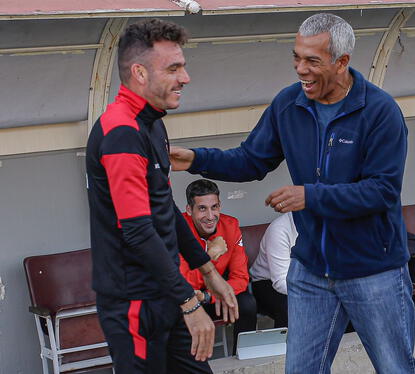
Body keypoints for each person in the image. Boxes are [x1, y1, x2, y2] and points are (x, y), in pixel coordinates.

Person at [171, 13, 415, 374]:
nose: (300, 69)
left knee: (396, 368)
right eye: (296, 57)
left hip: (374, 270)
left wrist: (311, 196)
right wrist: (197, 159)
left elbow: (381, 191)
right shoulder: (289, 104)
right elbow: (250, 160)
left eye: (312, 61)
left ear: (342, 63)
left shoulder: (380, 112)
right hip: (310, 270)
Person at [85, 19, 238, 374]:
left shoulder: (152, 122)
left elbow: (162, 208)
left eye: (182, 67)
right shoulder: (121, 132)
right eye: (173, 68)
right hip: (135, 304)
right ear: (139, 72)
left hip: (166, 293)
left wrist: (208, 271)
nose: (185, 78)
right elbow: (137, 231)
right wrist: (189, 302)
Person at [179, 179, 257, 354]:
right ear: (189, 210)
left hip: (212, 297)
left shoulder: (231, 226)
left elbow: (240, 278)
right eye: (202, 208)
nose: (210, 215)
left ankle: (243, 358)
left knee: (246, 304)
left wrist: (210, 296)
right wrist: (210, 257)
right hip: (187, 300)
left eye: (214, 207)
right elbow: (184, 283)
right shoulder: (178, 230)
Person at [249, 212, 298, 328]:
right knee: (291, 306)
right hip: (266, 281)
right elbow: (280, 282)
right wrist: (313, 292)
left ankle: (343, 344)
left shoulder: (325, 223)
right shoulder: (280, 229)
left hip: (303, 280)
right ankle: (286, 345)